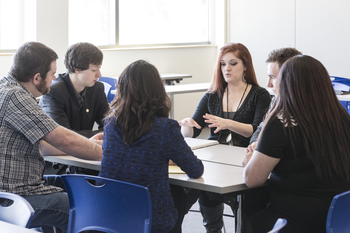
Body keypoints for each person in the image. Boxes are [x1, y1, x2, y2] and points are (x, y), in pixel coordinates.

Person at [0, 41, 103, 232]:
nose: (55, 77)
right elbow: (64, 139)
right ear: (37, 77)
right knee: (89, 209)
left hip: (20, 188)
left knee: (76, 186)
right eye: (52, 73)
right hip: (14, 196)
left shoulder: (5, 88)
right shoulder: (16, 97)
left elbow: (44, 143)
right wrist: (105, 153)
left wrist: (87, 143)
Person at [242, 55, 350, 233]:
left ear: (287, 85)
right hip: (339, 218)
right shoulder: (341, 117)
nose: (270, 84)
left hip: (295, 222)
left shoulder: (282, 122)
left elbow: (252, 180)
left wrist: (252, 159)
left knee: (251, 214)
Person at [98, 60, 204, 233]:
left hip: (111, 213)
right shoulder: (165, 127)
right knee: (179, 192)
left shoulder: (110, 124)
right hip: (151, 218)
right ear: (158, 90)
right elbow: (195, 170)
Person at [179, 43, 271, 233]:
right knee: (194, 189)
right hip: (215, 161)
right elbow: (194, 131)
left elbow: (257, 130)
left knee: (247, 215)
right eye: (222, 64)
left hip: (244, 161)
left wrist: (227, 123)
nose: (226, 69)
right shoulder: (212, 95)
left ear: (245, 66)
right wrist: (187, 125)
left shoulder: (259, 94)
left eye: (233, 63)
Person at [39, 42, 109, 175]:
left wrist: (83, 136)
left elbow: (111, 127)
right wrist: (96, 135)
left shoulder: (98, 89)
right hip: (58, 165)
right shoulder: (53, 92)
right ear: (77, 69)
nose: (99, 74)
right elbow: (62, 139)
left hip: (84, 160)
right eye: (94, 70)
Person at [246, 48, 302, 159]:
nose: (268, 84)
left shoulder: (306, 107)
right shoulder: (276, 100)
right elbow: (260, 129)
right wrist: (255, 145)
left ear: (289, 77)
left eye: (272, 77)